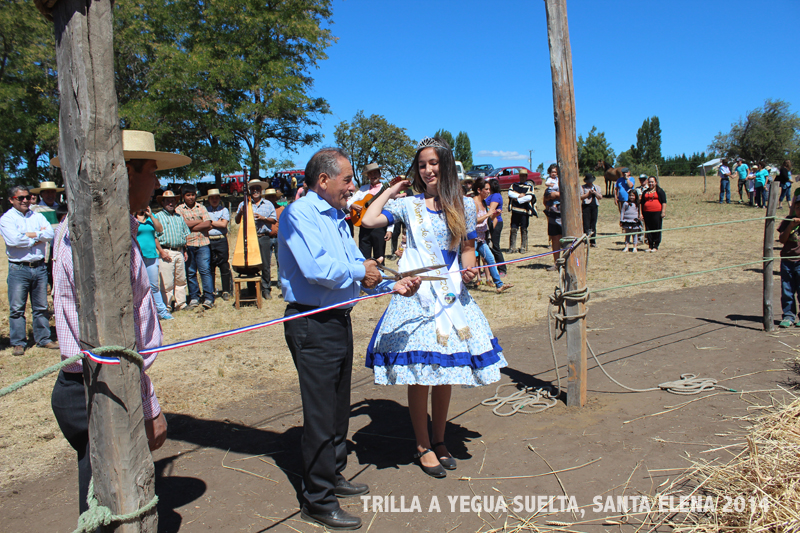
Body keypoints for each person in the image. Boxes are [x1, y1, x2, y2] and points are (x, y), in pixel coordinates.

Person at [279, 147, 420, 530]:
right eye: (347, 179)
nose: (352, 187)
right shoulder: (299, 214)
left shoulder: (337, 216)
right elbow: (318, 269)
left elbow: (360, 268)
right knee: (321, 413)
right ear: (323, 180)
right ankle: (318, 500)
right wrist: (363, 272)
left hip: (338, 320)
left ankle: (333, 474)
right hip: (312, 323)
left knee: (339, 407)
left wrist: (394, 284)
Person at [49, 129, 185, 514]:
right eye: (151, 171)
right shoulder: (100, 238)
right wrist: (147, 403)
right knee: (114, 505)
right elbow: (113, 341)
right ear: (123, 172)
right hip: (102, 388)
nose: (156, 183)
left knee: (104, 499)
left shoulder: (98, 227)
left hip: (96, 384)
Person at [361, 136, 506, 480]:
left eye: (433, 163)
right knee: (421, 373)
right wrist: (392, 189)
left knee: (446, 373)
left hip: (452, 295)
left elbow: (467, 248)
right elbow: (368, 219)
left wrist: (469, 270)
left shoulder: (464, 205)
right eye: (422, 165)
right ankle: (422, 445)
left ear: (446, 165)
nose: (427, 170)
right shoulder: (408, 205)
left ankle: (440, 440)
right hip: (418, 298)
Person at [0, 185, 59, 355]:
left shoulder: (37, 216)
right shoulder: (7, 219)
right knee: (17, 308)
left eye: (27, 197)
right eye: (20, 198)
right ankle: (18, 342)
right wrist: (37, 236)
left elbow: (50, 234)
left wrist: (27, 235)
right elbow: (14, 241)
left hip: (39, 266)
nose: (25, 200)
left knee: (41, 306)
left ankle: (44, 339)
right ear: (12, 200)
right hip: (19, 268)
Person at [235, 180, 277, 299]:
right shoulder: (244, 203)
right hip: (249, 238)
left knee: (265, 264)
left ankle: (266, 289)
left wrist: (263, 218)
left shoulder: (268, 204)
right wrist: (241, 212)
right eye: (253, 189)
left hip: (263, 237)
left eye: (257, 188)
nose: (255, 191)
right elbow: (237, 221)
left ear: (261, 190)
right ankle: (252, 289)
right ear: (249, 190)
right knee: (250, 264)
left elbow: (273, 220)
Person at [346, 163, 394, 265]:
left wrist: (390, 229)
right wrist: (353, 205)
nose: (373, 176)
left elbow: (390, 211)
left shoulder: (387, 190)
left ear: (380, 174)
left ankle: (381, 274)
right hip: (364, 226)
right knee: (363, 257)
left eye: (375, 173)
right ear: (368, 176)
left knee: (379, 257)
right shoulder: (363, 189)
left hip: (379, 227)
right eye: (370, 174)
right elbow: (348, 202)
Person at [176, 183, 214, 309]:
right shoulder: (179, 209)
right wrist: (199, 221)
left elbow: (208, 223)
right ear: (183, 196)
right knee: (191, 272)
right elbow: (181, 224)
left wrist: (190, 226)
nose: (191, 197)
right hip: (188, 244)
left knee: (205, 270)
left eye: (193, 195)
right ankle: (194, 297)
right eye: (188, 195)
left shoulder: (201, 207)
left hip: (203, 243)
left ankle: (208, 297)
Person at [472, 178, 512, 293]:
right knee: (464, 263)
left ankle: (499, 285)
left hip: (481, 239)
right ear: (479, 190)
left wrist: (494, 214)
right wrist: (488, 214)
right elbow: (473, 221)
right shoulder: (473, 203)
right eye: (486, 189)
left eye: (489, 189)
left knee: (490, 259)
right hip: (471, 239)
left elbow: (488, 219)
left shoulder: (484, 203)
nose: (489, 191)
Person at [154, 190, 190, 311]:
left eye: (172, 201)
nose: (170, 203)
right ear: (162, 202)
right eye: (168, 201)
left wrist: (184, 250)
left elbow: (185, 234)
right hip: (166, 250)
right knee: (167, 281)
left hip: (179, 251)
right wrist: (161, 251)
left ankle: (181, 304)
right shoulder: (158, 217)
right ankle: (166, 306)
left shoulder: (179, 217)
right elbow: (154, 236)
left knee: (181, 280)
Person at [135, 207, 173, 319]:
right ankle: (143, 312)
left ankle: (162, 311)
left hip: (151, 255)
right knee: (140, 286)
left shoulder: (151, 218)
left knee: (154, 285)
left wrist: (151, 215)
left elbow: (159, 230)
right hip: (138, 256)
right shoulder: (132, 218)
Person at [204, 188, 232, 301]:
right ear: (209, 199)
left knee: (224, 265)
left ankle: (226, 290)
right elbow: (204, 224)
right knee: (210, 266)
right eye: (212, 198)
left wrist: (210, 222)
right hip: (209, 240)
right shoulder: (205, 210)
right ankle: (211, 290)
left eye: (216, 198)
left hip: (221, 240)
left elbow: (224, 225)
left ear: (219, 199)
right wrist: (217, 222)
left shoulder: (224, 210)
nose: (214, 200)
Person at [777, 200, 800, 327]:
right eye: (797, 207)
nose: (799, 210)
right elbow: (782, 240)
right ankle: (788, 316)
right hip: (787, 260)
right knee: (787, 290)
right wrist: (791, 226)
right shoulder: (788, 221)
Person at [507, 168, 536, 253]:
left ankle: (523, 247)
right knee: (513, 229)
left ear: (526, 177)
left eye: (524, 176)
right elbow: (510, 193)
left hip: (524, 212)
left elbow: (529, 197)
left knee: (524, 229)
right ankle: (512, 247)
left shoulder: (529, 186)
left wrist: (518, 199)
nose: (522, 177)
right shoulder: (514, 185)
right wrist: (519, 195)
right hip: (515, 211)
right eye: (521, 176)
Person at [264, 188, 284, 292]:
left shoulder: (281, 209)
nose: (271, 198)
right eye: (269, 197)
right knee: (266, 263)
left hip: (278, 238)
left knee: (280, 261)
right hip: (266, 237)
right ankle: (266, 283)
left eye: (273, 196)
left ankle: (281, 282)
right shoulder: (263, 210)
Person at [640, 176, 667, 252]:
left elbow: (664, 202)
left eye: (652, 182)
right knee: (648, 229)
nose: (651, 183)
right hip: (647, 213)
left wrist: (663, 212)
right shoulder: (645, 192)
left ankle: (656, 246)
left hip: (657, 213)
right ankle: (650, 245)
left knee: (656, 228)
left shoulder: (660, 191)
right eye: (649, 182)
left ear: (656, 182)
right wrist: (641, 213)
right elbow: (641, 203)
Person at [543, 164, 562, 271]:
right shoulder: (549, 183)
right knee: (555, 238)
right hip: (553, 214)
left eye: (556, 172)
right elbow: (546, 199)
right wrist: (551, 196)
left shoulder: (562, 181)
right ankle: (557, 263)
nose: (554, 173)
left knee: (566, 238)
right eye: (552, 171)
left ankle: (567, 262)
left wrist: (556, 195)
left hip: (565, 214)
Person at [486, 178, 506, 274]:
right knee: (489, 247)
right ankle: (489, 270)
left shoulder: (496, 196)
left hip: (496, 222)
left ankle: (502, 269)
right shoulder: (492, 195)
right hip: (490, 222)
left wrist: (482, 206)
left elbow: (492, 209)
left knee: (495, 246)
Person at [580, 173, 602, 247]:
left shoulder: (597, 187)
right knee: (586, 224)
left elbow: (600, 197)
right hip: (586, 206)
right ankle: (585, 241)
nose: (590, 182)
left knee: (593, 223)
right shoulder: (582, 187)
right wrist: (588, 194)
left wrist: (595, 193)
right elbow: (581, 197)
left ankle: (593, 241)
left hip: (594, 206)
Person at [619, 188, 642, 253]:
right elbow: (622, 212)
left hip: (634, 221)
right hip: (627, 221)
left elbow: (639, 212)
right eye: (630, 195)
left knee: (634, 235)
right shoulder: (625, 203)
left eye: (633, 195)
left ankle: (635, 247)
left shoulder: (637, 204)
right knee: (627, 234)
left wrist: (639, 218)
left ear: (636, 196)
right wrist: (621, 220)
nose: (631, 197)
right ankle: (626, 246)